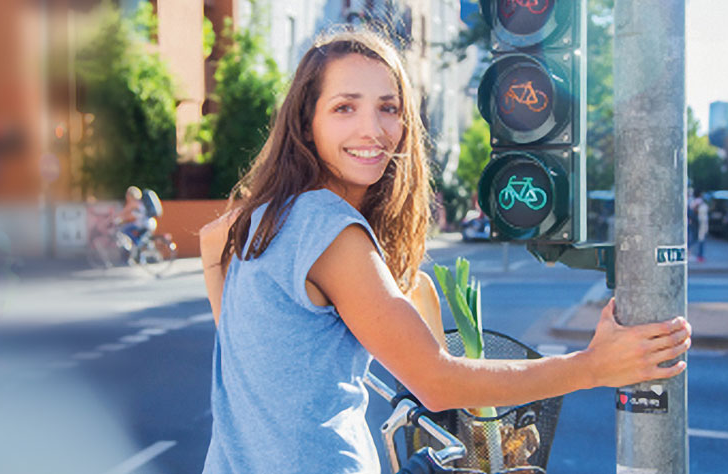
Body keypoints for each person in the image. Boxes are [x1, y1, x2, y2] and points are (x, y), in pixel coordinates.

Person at [198, 28, 691, 473]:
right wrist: (592, 367)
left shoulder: (267, 215)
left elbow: (211, 239)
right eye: (344, 107)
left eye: (388, 107)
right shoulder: (328, 227)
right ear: (306, 123)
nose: (372, 129)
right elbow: (435, 382)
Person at [118, 186, 152, 250]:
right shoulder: (139, 202)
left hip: (141, 224)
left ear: (130, 195)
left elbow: (124, 212)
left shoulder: (133, 203)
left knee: (124, 230)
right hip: (146, 223)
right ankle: (136, 246)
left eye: (127, 195)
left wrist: (116, 218)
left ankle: (135, 245)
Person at [689, 190, 709, 262]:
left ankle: (692, 254)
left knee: (694, 239)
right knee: (700, 240)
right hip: (700, 223)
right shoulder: (700, 202)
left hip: (695, 223)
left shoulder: (693, 202)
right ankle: (700, 256)